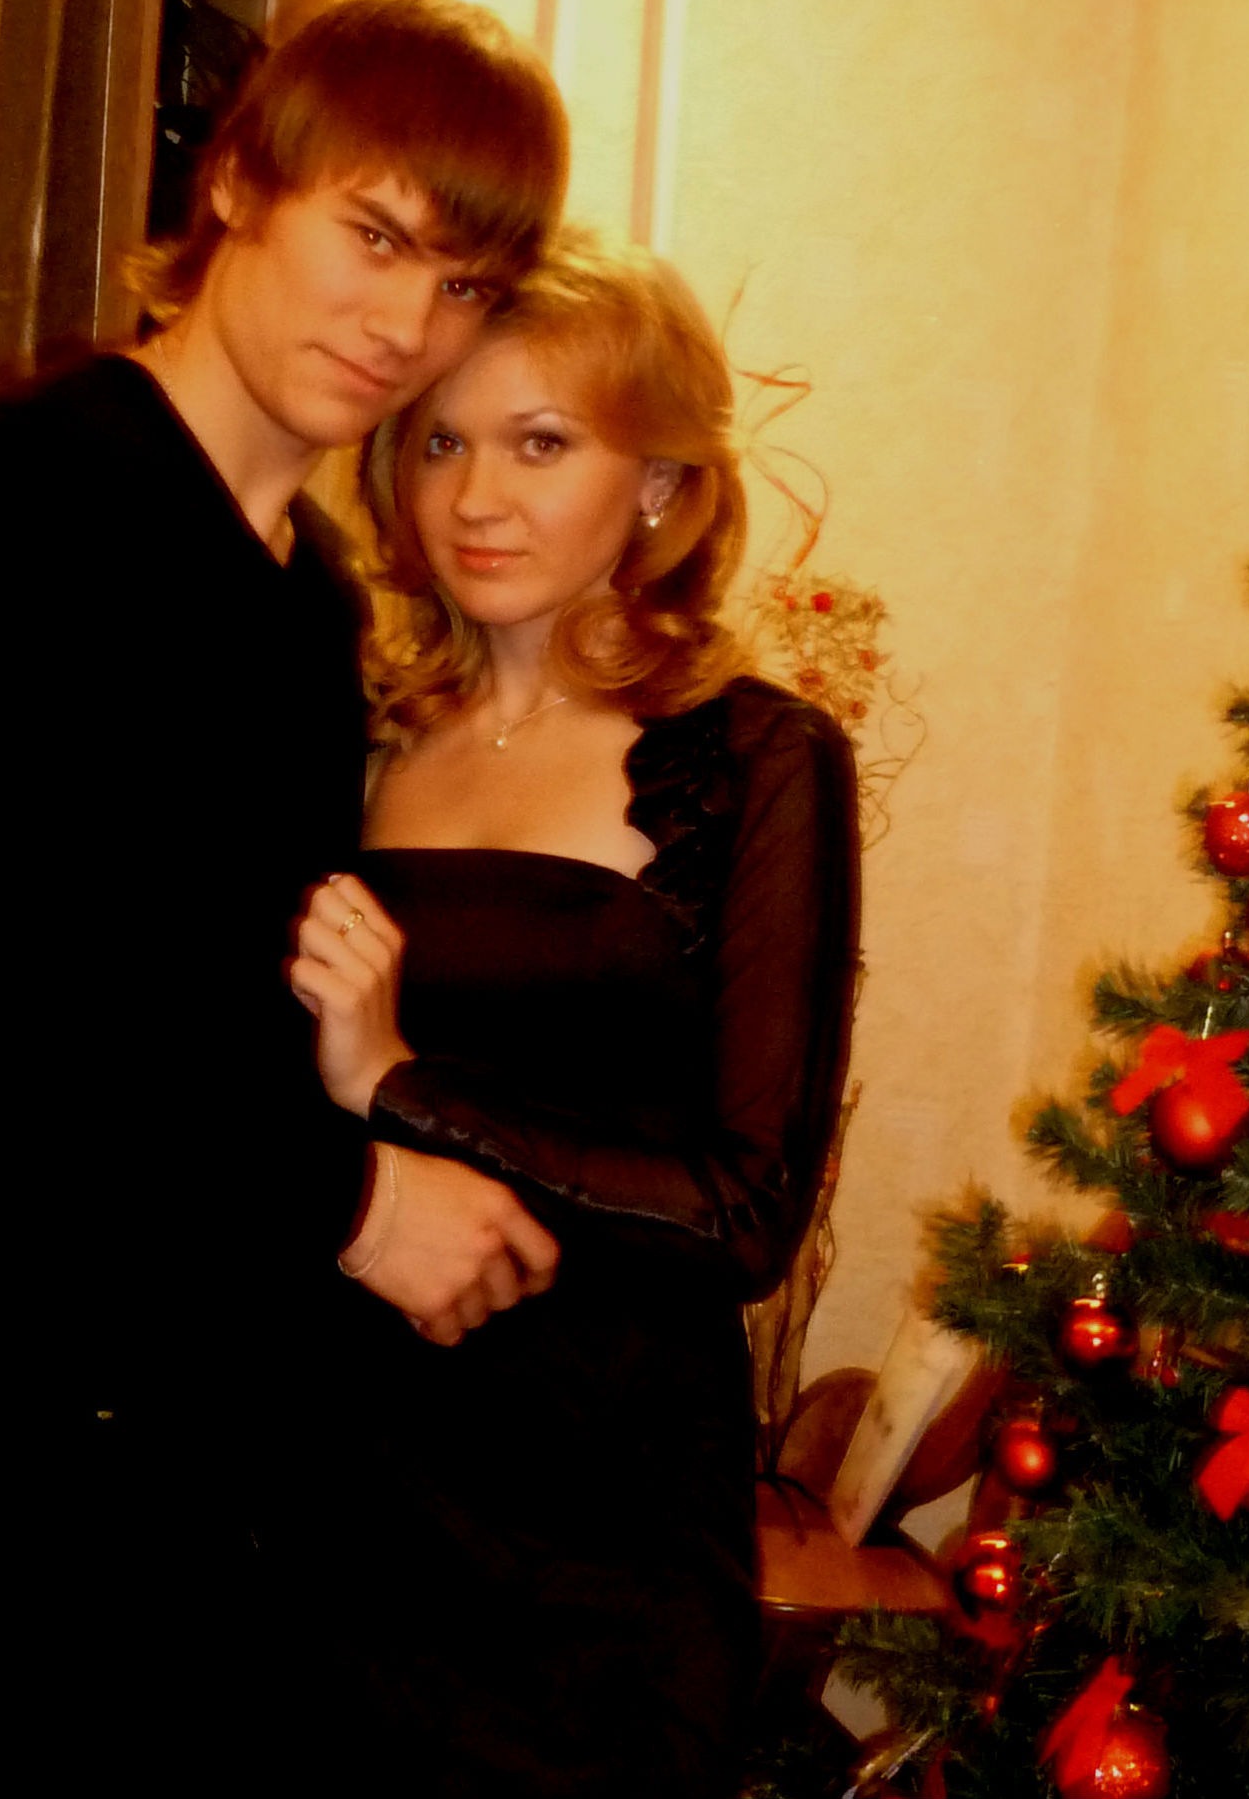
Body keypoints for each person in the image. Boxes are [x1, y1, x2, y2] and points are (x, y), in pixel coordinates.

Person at [0, 0, 568, 1797]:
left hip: (197, 1467)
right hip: (10, 1469)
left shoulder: (304, 595)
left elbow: (174, 981)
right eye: (372, 237)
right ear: (237, 181)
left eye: (461, 285)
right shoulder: (36, 507)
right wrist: (356, 1202)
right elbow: (4, 1060)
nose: (404, 326)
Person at [290, 234, 862, 1796]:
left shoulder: (754, 760)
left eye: (542, 444)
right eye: (441, 443)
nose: (477, 498)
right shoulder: (345, 740)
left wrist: (403, 1085)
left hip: (599, 1533)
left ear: (661, 480)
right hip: (332, 1494)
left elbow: (744, 1213)